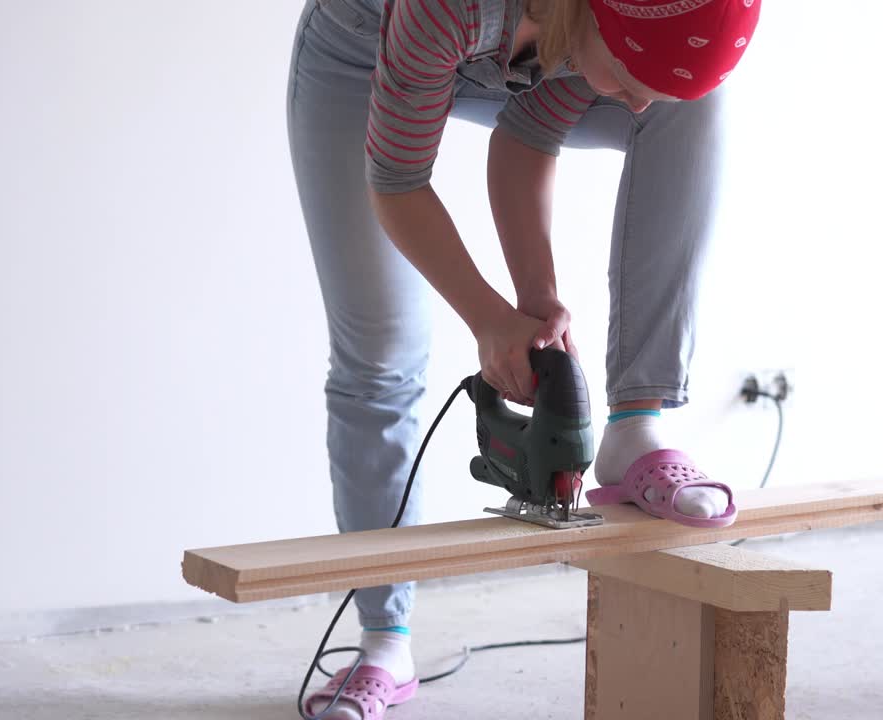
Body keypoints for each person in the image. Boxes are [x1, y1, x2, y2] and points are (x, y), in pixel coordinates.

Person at [286, 0, 761, 716]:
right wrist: (486, 320)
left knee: (693, 106)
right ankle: (384, 642)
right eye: (634, 76)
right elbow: (398, 182)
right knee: (379, 363)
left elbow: (527, 137)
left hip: (544, 29)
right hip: (362, 50)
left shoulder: (603, 22)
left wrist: (534, 307)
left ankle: (638, 422)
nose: (633, 103)